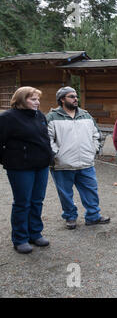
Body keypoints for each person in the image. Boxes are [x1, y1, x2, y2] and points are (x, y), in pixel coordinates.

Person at [46, 86, 110, 229]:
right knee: (66, 194)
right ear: (62, 99)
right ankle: (70, 217)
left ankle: (93, 216)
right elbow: (46, 140)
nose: (76, 99)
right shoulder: (51, 117)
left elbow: (97, 135)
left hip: (86, 163)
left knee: (91, 191)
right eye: (71, 96)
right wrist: (57, 155)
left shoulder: (86, 115)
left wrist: (93, 150)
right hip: (62, 165)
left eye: (76, 96)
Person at [0, 87, 53, 253]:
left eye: (38, 99)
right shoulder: (8, 118)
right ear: (21, 100)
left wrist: (49, 156)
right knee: (23, 202)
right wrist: (9, 160)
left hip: (41, 166)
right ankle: (20, 238)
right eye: (33, 99)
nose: (37, 102)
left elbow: (44, 140)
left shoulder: (40, 116)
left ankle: (35, 233)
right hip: (20, 168)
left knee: (37, 200)